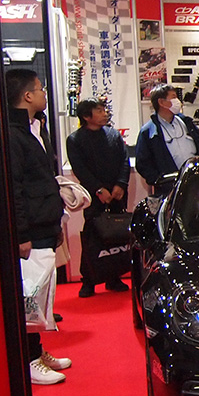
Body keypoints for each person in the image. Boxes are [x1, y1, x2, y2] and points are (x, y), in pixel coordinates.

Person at [6, 69, 71, 385]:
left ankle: (37, 349)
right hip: (30, 229)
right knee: (29, 296)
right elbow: (15, 187)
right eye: (40, 88)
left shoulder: (37, 128)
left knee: (42, 292)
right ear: (27, 95)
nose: (45, 93)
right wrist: (21, 234)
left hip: (46, 221)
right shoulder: (13, 134)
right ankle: (29, 358)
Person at [66, 99, 130, 297]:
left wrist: (121, 184)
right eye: (99, 111)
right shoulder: (75, 139)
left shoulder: (113, 134)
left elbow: (124, 160)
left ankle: (114, 277)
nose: (104, 114)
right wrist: (98, 189)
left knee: (117, 236)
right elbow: (80, 169)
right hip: (94, 195)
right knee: (92, 236)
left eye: (104, 110)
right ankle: (88, 280)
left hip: (117, 192)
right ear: (87, 116)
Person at [135, 84, 199, 195]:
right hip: (169, 190)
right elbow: (143, 164)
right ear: (161, 102)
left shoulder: (187, 123)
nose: (177, 101)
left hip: (196, 183)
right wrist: (160, 180)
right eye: (173, 97)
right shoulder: (148, 132)